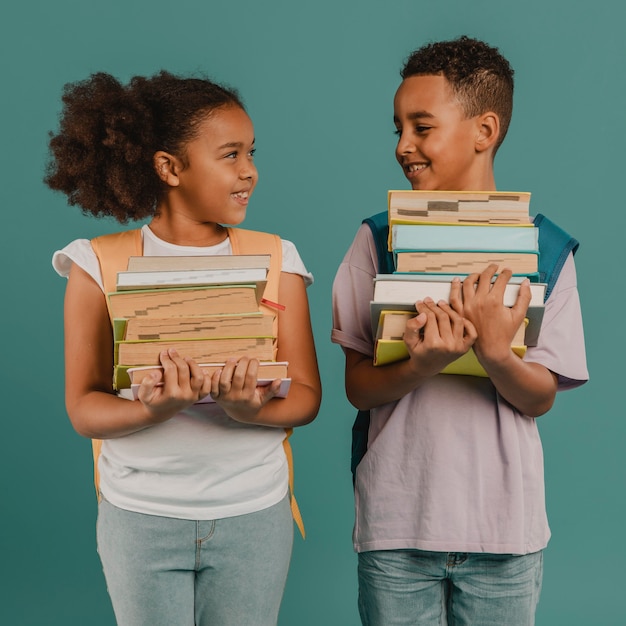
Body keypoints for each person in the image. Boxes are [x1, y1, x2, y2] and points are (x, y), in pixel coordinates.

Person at [47, 71, 321, 626]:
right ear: (170, 167)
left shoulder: (277, 259)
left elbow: (308, 397)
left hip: (254, 514)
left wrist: (250, 409)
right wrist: (153, 408)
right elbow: (84, 407)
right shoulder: (95, 264)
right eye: (229, 154)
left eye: (251, 153)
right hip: (140, 519)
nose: (250, 170)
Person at [331, 36, 588, 625]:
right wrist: (421, 364)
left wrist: (497, 354)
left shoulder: (546, 251)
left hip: (504, 527)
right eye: (397, 128)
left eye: (422, 127)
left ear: (485, 130)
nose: (403, 145)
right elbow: (358, 389)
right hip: (397, 522)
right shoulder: (377, 239)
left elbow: (540, 396)